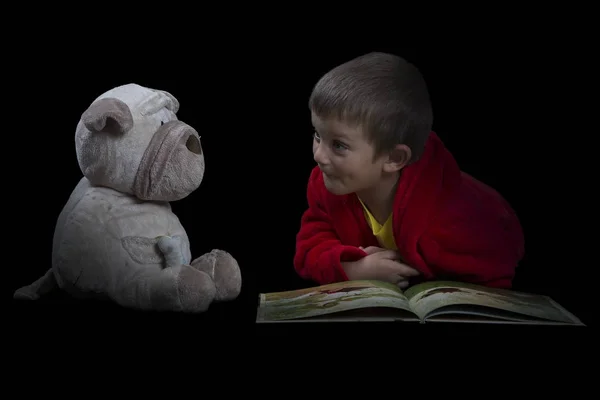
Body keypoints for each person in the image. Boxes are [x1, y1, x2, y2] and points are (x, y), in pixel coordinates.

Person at [293, 52, 525, 289]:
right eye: (318, 135)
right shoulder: (325, 185)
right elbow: (309, 247)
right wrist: (353, 269)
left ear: (394, 158)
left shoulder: (451, 218)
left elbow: (495, 269)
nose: (318, 155)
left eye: (339, 145)